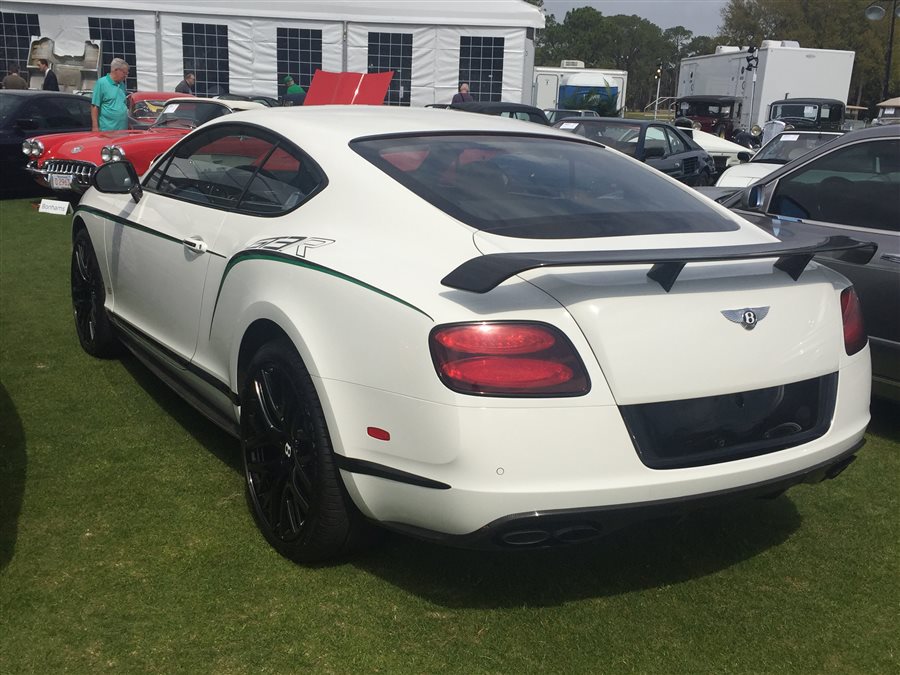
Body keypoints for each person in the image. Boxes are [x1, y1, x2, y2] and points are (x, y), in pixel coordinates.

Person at [91, 57, 129, 131]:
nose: (126, 76)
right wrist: (95, 127)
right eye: (124, 73)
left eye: (127, 73)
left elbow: (122, 104)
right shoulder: (101, 83)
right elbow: (95, 106)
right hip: (107, 130)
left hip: (122, 130)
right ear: (116, 70)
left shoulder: (122, 85)